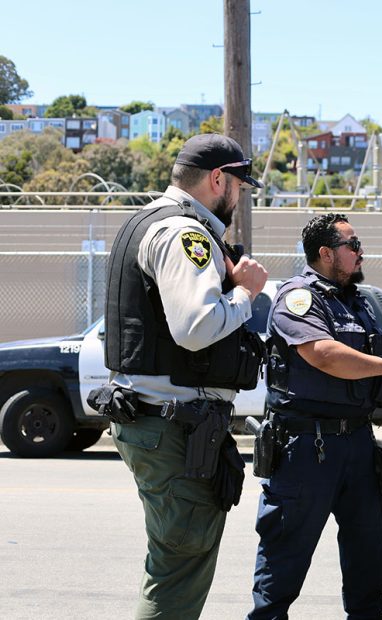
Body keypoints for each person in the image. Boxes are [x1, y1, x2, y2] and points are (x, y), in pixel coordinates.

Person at [98, 133, 268, 619]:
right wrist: (246, 293)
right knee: (178, 567)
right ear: (219, 179)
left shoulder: (148, 221)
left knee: (174, 561)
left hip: (161, 422)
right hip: (173, 428)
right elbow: (196, 328)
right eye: (238, 184)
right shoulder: (184, 233)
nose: (239, 195)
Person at [249, 213, 382, 620]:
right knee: (285, 553)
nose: (360, 253)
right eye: (352, 245)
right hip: (307, 445)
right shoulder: (299, 297)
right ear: (325, 253)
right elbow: (323, 354)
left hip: (357, 442)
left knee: (367, 550)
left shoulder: (360, 301)